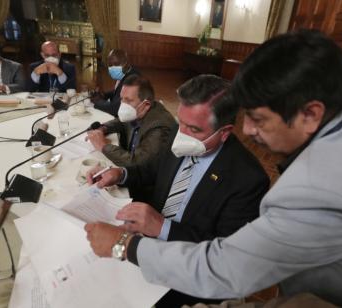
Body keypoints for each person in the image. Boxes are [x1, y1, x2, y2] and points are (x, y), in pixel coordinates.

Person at [85, 30, 342, 307]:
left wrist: (123, 246)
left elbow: (225, 269)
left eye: (259, 120)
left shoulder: (316, 189)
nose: (247, 131)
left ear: (311, 113)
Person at [86, 74, 269, 307]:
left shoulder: (247, 179)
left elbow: (223, 256)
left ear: (224, 132)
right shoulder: (177, 132)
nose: (181, 134)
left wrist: (163, 227)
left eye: (193, 129)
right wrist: (121, 174)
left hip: (187, 276)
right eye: (180, 122)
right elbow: (153, 171)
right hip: (143, 246)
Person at [87, 74, 176, 168]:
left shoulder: (159, 128)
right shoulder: (139, 110)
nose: (123, 105)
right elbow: (123, 122)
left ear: (146, 104)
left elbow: (137, 164)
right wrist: (104, 128)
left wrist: (103, 146)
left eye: (128, 100)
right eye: (122, 99)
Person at [91, 49, 140, 117]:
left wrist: (97, 101)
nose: (112, 68)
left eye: (116, 64)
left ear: (126, 63)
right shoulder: (127, 73)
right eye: (110, 65)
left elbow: (115, 109)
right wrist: (104, 95)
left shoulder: (133, 80)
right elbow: (118, 91)